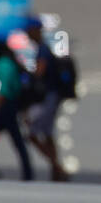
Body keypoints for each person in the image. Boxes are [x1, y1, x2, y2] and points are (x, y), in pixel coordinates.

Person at [23, 16, 69, 182]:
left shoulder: (42, 50)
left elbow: (39, 74)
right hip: (50, 97)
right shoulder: (42, 48)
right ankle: (56, 170)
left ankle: (57, 167)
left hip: (49, 97)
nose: (27, 35)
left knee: (33, 133)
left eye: (29, 31)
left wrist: (25, 74)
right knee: (47, 134)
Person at [0, 34, 33, 180]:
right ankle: (27, 172)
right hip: (11, 106)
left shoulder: (5, 64)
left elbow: (4, 91)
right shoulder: (8, 62)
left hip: (6, 107)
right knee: (17, 141)